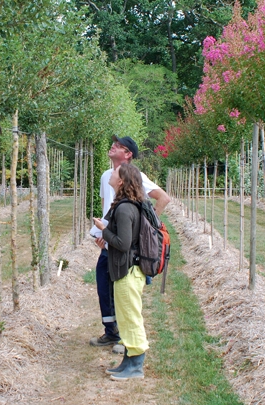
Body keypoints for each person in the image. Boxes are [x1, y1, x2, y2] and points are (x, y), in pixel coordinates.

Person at [89, 136, 170, 350]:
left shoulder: (137, 176)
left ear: (128, 155)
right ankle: (111, 332)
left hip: (124, 244)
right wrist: (103, 233)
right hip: (109, 240)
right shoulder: (107, 176)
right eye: (113, 143)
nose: (113, 146)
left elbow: (163, 198)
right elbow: (108, 208)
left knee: (125, 293)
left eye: (119, 146)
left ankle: (128, 339)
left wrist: (147, 230)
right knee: (104, 287)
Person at [93, 163, 149, 380]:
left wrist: (103, 231)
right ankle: (128, 360)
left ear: (122, 181)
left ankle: (136, 366)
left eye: (115, 172)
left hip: (128, 272)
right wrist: (106, 241)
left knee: (131, 318)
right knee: (125, 318)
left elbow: (124, 244)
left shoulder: (125, 208)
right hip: (125, 270)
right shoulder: (125, 205)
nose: (111, 172)